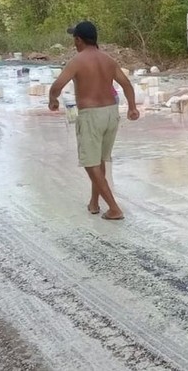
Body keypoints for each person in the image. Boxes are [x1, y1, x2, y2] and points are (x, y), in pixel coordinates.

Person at [49, 21, 139, 221]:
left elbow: (57, 86)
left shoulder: (77, 61)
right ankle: (94, 202)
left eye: (74, 38)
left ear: (78, 40)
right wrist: (132, 107)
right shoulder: (108, 60)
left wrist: (53, 100)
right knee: (98, 160)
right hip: (110, 114)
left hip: (91, 115)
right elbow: (126, 85)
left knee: (90, 164)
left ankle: (114, 208)